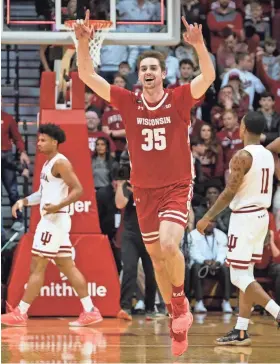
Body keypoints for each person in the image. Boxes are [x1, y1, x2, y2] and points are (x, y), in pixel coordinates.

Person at [75, 11, 215, 357]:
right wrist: (81, 42)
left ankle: (180, 303)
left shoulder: (180, 98)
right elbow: (86, 74)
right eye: (143, 69)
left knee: (169, 246)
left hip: (177, 186)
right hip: (144, 190)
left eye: (153, 68)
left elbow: (208, 75)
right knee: (155, 258)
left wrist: (198, 47)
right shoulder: (128, 101)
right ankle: (174, 317)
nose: (148, 73)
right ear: (139, 76)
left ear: (162, 74)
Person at [1, 123, 103, 327]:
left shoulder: (60, 163)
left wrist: (58, 205)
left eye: (43, 140)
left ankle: (21, 312)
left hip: (54, 222)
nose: (38, 143)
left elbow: (78, 189)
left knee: (37, 265)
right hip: (56, 222)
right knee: (68, 266)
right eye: (38, 140)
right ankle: (90, 310)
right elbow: (42, 193)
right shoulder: (48, 164)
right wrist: (23, 201)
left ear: (54, 142)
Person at [197, 111, 280, 345]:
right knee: (247, 275)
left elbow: (228, 193)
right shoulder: (267, 153)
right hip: (262, 216)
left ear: (242, 129)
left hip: (244, 218)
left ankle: (277, 312)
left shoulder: (241, 156)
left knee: (238, 276)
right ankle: (241, 330)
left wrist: (208, 217)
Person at [115, 171, 157, 320]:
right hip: (131, 235)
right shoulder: (128, 185)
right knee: (129, 269)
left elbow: (154, 207)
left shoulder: (153, 186)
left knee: (151, 273)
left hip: (150, 234)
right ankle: (125, 307)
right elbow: (119, 204)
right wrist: (121, 186)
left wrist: (140, 192)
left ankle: (150, 308)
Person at [188, 221, 232, 313]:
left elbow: (223, 252)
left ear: (215, 224)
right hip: (201, 264)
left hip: (215, 265)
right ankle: (199, 302)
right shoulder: (193, 235)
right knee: (195, 268)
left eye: (212, 222)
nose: (209, 224)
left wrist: (218, 262)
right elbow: (193, 252)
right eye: (207, 222)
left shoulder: (221, 235)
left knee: (226, 269)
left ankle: (226, 301)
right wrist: (204, 261)